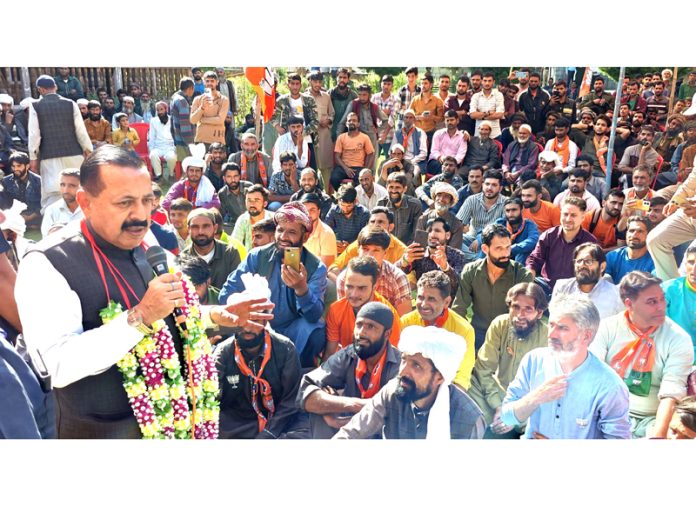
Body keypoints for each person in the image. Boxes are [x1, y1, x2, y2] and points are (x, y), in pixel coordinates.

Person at [15, 145, 274, 439]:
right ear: (86, 203)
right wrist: (139, 318)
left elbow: (171, 310)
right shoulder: (48, 262)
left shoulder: (145, 239)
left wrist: (217, 314)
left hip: (180, 425)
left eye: (147, 200)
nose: (140, 215)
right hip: (102, 433)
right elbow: (55, 365)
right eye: (125, 202)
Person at [500, 294, 631, 439]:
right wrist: (536, 397)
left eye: (562, 328)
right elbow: (506, 417)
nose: (552, 334)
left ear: (586, 336)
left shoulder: (610, 386)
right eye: (551, 325)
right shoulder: (533, 360)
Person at [220, 202, 327, 368]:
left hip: (293, 328)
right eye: (280, 230)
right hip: (257, 324)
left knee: (316, 331)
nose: (283, 237)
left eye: (291, 232)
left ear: (304, 237)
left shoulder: (315, 267)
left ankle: (296, 372)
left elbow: (313, 315)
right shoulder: (257, 257)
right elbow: (226, 294)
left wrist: (301, 289)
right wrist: (249, 305)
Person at [333, 325, 485, 439]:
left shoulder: (469, 418)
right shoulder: (393, 391)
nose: (403, 371)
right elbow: (351, 433)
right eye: (404, 360)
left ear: (440, 377)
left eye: (416, 366)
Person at [590, 272, 693, 438]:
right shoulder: (607, 328)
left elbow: (671, 392)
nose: (661, 306)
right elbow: (592, 377)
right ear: (629, 304)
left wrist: (657, 438)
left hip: (651, 418)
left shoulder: (678, 338)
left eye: (662, 299)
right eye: (652, 302)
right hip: (608, 411)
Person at [299, 302, 401, 439]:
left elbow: (397, 412)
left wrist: (347, 420)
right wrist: (349, 405)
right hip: (344, 428)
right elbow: (305, 392)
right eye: (359, 325)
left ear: (387, 334)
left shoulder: (400, 364)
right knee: (320, 409)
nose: (361, 333)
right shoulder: (348, 355)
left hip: (379, 433)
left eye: (370, 327)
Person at [468, 282, 548, 433]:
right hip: (498, 393)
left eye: (528, 309)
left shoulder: (548, 336)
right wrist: (499, 406)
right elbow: (484, 368)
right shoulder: (501, 324)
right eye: (515, 307)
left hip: (528, 402)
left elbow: (544, 387)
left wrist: (514, 412)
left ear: (539, 313)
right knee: (469, 387)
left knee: (542, 422)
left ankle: (512, 425)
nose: (519, 315)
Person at [214, 319, 308, 439]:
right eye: (242, 321)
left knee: (304, 433)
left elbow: (291, 400)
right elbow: (213, 397)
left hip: (281, 420)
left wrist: (269, 433)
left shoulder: (285, 348)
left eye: (254, 321)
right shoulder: (222, 353)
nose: (247, 328)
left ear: (265, 321)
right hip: (239, 424)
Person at [452, 223, 534, 350]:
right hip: (477, 334)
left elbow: (524, 315)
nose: (506, 253)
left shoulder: (521, 275)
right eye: (499, 248)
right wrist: (462, 337)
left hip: (509, 335)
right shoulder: (471, 271)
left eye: (508, 247)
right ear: (485, 249)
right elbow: (459, 309)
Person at [400, 271, 475, 389]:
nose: (424, 304)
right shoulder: (405, 323)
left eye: (431, 299)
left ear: (446, 302)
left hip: (445, 389)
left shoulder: (463, 330)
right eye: (420, 297)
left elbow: (462, 378)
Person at [28, 75, 92, 211]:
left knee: (54, 193)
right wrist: (88, 150)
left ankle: (54, 227)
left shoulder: (35, 106)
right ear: (55, 87)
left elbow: (34, 135)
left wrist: (33, 158)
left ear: (40, 89)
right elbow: (81, 131)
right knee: (78, 188)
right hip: (74, 154)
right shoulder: (71, 104)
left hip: (49, 156)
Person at [325, 256, 401, 359]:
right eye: (349, 286)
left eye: (361, 288)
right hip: (347, 363)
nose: (354, 294)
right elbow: (330, 354)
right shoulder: (336, 309)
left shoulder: (388, 315)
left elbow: (392, 359)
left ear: (374, 287)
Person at [335, 226, 412, 316]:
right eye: (365, 249)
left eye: (376, 250)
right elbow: (344, 316)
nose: (369, 255)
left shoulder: (398, 278)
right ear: (358, 249)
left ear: (385, 252)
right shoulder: (344, 279)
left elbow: (403, 320)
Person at [526, 197, 599, 289]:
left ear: (582, 217)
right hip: (547, 286)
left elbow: (592, 273)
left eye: (573, 215)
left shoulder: (590, 242)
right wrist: (528, 279)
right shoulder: (549, 235)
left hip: (575, 290)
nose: (568, 219)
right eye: (565, 214)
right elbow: (534, 260)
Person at [327, 206, 407, 281]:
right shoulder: (360, 243)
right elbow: (334, 267)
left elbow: (411, 281)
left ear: (391, 227)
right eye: (372, 222)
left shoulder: (401, 250)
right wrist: (346, 285)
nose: (375, 225)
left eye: (380, 222)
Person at [647, 168, 696, 280]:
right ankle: (672, 291)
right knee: (656, 240)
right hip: (691, 213)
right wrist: (676, 201)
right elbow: (692, 181)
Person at [552, 242, 624, 319]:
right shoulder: (563, 287)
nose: (582, 265)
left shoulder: (615, 295)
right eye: (579, 261)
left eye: (588, 261)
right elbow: (554, 320)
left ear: (602, 267)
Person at [400, 217, 467, 297]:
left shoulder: (458, 255)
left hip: (447, 303)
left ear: (447, 235)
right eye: (429, 231)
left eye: (437, 231)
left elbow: (459, 285)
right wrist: (405, 261)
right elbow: (398, 273)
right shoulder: (418, 253)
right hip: (424, 300)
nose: (432, 234)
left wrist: (446, 268)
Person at [180, 208, 241, 290]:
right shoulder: (184, 258)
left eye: (206, 226)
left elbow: (237, 287)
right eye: (195, 227)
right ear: (188, 229)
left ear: (215, 228)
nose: (200, 232)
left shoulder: (230, 253)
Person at [455, 169, 507, 262]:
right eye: (487, 184)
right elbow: (458, 224)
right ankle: (477, 261)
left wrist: (480, 239)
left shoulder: (506, 203)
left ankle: (474, 261)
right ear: (482, 184)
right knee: (453, 238)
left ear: (500, 188)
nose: (489, 188)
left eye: (494, 185)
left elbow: (501, 230)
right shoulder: (472, 200)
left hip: (493, 241)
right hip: (471, 239)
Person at [476, 197, 539, 264]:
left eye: (514, 210)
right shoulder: (501, 222)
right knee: (486, 246)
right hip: (501, 253)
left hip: (518, 256)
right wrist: (478, 240)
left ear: (521, 209)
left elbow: (533, 240)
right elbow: (486, 233)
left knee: (522, 253)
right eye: (507, 211)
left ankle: (517, 273)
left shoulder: (529, 224)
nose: (510, 214)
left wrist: (512, 248)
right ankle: (479, 268)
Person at [661, 244, 696, 354]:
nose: (694, 269)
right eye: (691, 262)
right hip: (674, 354)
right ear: (685, 264)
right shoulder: (667, 290)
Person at [304, 71, 335, 186]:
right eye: (315, 81)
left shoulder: (326, 96)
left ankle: (328, 194)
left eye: (319, 82)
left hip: (324, 136)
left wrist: (328, 120)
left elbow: (332, 113)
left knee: (326, 167)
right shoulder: (303, 97)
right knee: (310, 167)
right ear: (310, 81)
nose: (317, 84)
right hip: (309, 136)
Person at [376, 172, 423, 245]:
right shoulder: (381, 204)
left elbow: (416, 233)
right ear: (386, 187)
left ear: (405, 189)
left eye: (397, 187)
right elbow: (377, 231)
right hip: (386, 247)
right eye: (391, 187)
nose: (394, 191)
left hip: (407, 248)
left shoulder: (415, 205)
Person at [331, 112, 375, 190]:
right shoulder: (341, 137)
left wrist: (365, 171)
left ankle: (356, 198)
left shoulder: (364, 137)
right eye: (349, 120)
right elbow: (337, 157)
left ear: (358, 124)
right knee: (334, 178)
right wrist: (346, 168)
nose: (351, 122)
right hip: (343, 167)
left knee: (361, 182)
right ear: (346, 123)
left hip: (358, 168)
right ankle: (342, 196)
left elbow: (371, 154)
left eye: (354, 120)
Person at [605, 215, 655, 284]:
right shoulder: (612, 256)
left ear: (649, 235)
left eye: (640, 231)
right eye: (631, 231)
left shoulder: (653, 261)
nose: (634, 235)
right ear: (626, 233)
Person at [2, 151, 42, 229]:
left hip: (34, 216)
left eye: (19, 166)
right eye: (13, 166)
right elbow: (4, 204)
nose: (15, 169)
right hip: (14, 217)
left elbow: (43, 203)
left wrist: (30, 217)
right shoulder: (6, 181)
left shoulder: (38, 181)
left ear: (27, 166)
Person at [325, 186, 370, 253]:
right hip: (337, 247)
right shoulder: (334, 211)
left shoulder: (363, 213)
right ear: (338, 201)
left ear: (355, 202)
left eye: (349, 206)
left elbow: (364, 237)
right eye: (342, 205)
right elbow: (326, 230)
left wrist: (350, 246)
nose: (345, 209)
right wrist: (334, 243)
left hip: (356, 249)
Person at [190, 71, 229, 148]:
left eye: (212, 81)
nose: (209, 83)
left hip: (218, 141)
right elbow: (193, 120)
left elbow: (220, 120)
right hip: (201, 140)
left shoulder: (224, 99)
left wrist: (202, 120)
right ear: (204, 82)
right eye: (207, 81)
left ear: (217, 82)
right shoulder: (197, 99)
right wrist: (202, 107)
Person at [40, 169, 83, 237]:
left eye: (72, 185)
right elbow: (46, 240)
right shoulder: (51, 210)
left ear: (82, 187)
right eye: (62, 185)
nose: (66, 190)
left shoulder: (92, 209)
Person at [231, 184, 274, 251]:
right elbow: (234, 244)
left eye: (256, 200)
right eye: (249, 200)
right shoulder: (243, 219)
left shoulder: (273, 219)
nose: (252, 204)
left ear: (265, 204)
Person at [300, 192, 337, 267]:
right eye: (305, 210)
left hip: (319, 275)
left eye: (312, 210)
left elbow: (325, 267)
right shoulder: (296, 230)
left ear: (319, 211)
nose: (308, 214)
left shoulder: (327, 233)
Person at [390, 109, 428, 179]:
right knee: (384, 168)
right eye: (406, 117)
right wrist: (397, 159)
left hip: (414, 161)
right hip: (399, 159)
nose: (408, 120)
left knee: (414, 175)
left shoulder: (420, 133)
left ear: (414, 119)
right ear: (403, 119)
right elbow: (391, 150)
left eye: (411, 117)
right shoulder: (398, 133)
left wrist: (412, 161)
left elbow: (424, 153)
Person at [146, 101, 177, 181]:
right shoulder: (153, 121)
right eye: (158, 110)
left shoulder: (172, 119)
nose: (160, 112)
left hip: (170, 147)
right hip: (158, 147)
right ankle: (159, 176)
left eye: (161, 109)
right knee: (152, 155)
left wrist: (174, 148)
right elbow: (151, 136)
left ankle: (171, 174)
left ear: (166, 109)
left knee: (172, 157)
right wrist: (151, 149)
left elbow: (176, 135)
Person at [469, 72, 505, 138]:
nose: (487, 83)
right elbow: (472, 115)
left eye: (489, 81)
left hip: (495, 134)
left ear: (493, 82)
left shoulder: (499, 95)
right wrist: (489, 113)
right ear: (481, 81)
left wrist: (480, 115)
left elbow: (500, 114)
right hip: (479, 134)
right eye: (485, 81)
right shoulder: (475, 96)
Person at [170, 77, 196, 162]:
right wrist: (190, 143)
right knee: (188, 167)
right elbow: (185, 125)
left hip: (178, 139)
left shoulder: (174, 98)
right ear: (190, 88)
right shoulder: (182, 102)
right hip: (184, 142)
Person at [329, 68, 358, 143]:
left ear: (348, 79)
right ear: (336, 78)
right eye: (340, 77)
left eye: (344, 77)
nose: (342, 80)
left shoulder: (353, 95)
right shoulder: (330, 93)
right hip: (331, 130)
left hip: (348, 131)